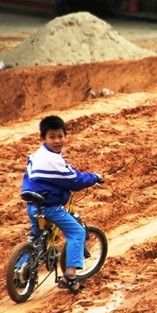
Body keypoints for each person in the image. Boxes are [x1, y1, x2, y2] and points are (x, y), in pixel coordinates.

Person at [20, 115, 103, 292]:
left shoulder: (39, 154)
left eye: (60, 136)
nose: (57, 140)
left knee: (36, 238)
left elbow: (63, 170)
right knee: (77, 232)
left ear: (65, 136)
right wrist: (94, 177)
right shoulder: (53, 160)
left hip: (33, 206)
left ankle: (19, 273)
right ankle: (70, 277)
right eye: (52, 137)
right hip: (49, 207)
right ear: (43, 138)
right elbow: (74, 180)